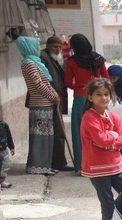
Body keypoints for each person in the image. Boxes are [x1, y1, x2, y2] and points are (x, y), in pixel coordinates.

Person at [80, 79, 122, 220]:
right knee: (108, 202)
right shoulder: (88, 117)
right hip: (97, 167)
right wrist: (112, 138)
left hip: (116, 164)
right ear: (90, 97)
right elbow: (100, 139)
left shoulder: (113, 116)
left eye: (106, 94)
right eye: (98, 94)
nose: (103, 98)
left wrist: (111, 139)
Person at [64, 33, 108, 172]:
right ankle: (101, 164)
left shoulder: (71, 61)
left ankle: (82, 167)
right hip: (98, 98)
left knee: (79, 133)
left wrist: (78, 87)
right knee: (100, 130)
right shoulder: (98, 59)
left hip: (80, 99)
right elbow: (106, 79)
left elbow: (67, 82)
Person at [17, 36, 59, 175]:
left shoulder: (35, 62)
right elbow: (38, 84)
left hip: (45, 104)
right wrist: (53, 96)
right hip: (40, 105)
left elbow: (45, 83)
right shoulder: (29, 63)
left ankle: (44, 166)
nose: (37, 49)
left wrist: (54, 95)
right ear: (29, 47)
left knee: (46, 137)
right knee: (40, 138)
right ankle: (38, 167)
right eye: (35, 46)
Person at [40, 35, 72, 172]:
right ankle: (56, 163)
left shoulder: (58, 57)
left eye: (59, 46)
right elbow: (44, 79)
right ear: (48, 46)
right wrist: (53, 94)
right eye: (55, 46)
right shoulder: (43, 57)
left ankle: (58, 162)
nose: (58, 49)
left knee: (59, 131)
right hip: (49, 99)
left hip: (58, 98)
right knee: (56, 131)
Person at [0, 108, 15, 188]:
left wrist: (12, 147)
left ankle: (2, 181)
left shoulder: (4, 125)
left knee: (5, 166)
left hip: (4, 150)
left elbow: (9, 137)